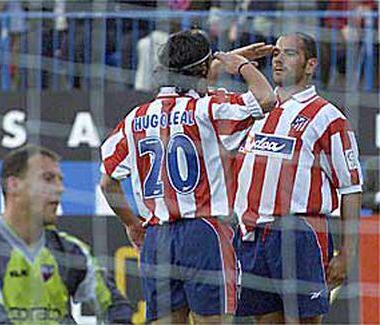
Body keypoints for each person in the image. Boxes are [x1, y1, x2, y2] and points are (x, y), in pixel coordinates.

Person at [100, 29, 276, 324]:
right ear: (204, 70)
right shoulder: (207, 109)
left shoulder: (135, 118)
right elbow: (266, 99)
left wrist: (132, 224)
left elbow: (107, 182)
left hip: (157, 237)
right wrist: (239, 64)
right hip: (204, 232)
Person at [233, 32, 363, 324]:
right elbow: (203, 85)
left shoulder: (328, 117)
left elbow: (352, 188)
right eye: (276, 53)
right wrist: (237, 59)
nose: (278, 59)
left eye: (289, 53)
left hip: (299, 234)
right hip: (252, 235)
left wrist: (347, 253)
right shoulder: (256, 111)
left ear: (310, 65)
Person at [0, 144, 133, 324]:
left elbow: (115, 306)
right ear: (13, 185)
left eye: (60, 180)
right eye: (48, 179)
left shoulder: (70, 249)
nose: (60, 188)